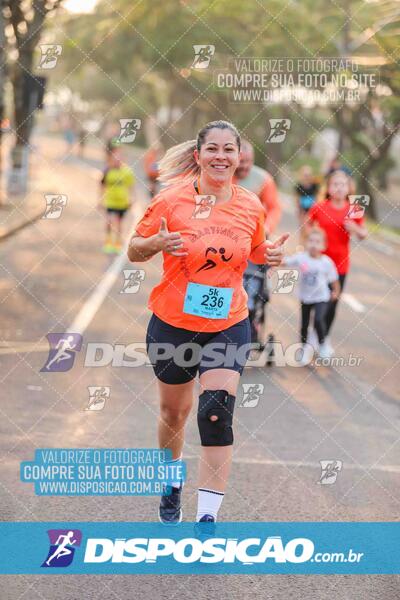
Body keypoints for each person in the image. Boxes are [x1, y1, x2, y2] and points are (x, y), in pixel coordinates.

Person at [128, 120, 288, 524]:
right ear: (198, 156)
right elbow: (134, 249)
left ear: (239, 157)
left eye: (229, 150)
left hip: (228, 322)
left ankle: (207, 518)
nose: (221, 156)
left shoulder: (251, 204)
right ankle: (171, 482)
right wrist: (157, 243)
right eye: (212, 149)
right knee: (174, 414)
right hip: (173, 323)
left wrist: (266, 255)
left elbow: (253, 250)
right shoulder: (171, 201)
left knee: (215, 412)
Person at [306, 170, 367, 354]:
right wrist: (311, 239)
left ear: (349, 188)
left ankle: (323, 340)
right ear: (328, 187)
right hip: (319, 264)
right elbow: (306, 226)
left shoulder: (355, 208)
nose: (339, 188)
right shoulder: (319, 206)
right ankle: (311, 339)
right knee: (316, 303)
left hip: (340, 265)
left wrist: (355, 228)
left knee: (332, 304)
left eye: (343, 184)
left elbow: (363, 234)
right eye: (335, 184)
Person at [234, 140, 282, 347]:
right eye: (241, 162)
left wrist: (267, 229)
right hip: (225, 242)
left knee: (254, 285)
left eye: (249, 162)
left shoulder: (263, 179)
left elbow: (274, 207)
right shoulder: (222, 175)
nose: (244, 166)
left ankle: (251, 327)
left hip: (255, 241)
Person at [283, 228, 340, 362]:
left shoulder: (326, 262)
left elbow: (334, 280)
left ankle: (323, 344)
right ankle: (304, 349)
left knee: (319, 320)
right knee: (304, 324)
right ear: (306, 242)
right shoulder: (301, 257)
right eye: (311, 241)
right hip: (306, 297)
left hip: (322, 297)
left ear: (323, 245)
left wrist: (336, 292)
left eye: (317, 242)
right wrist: (277, 258)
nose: (314, 244)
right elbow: (286, 262)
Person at [99, 141, 135, 254]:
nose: (117, 158)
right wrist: (100, 200)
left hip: (122, 203)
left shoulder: (127, 171)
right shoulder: (107, 170)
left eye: (119, 156)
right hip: (110, 202)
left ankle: (118, 243)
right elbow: (102, 185)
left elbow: (131, 187)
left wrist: (132, 199)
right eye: (115, 156)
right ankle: (108, 242)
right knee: (110, 221)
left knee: (119, 223)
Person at [294, 165, 319, 240]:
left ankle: (309, 240)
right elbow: (297, 199)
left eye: (308, 175)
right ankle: (302, 243)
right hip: (303, 209)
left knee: (311, 226)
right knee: (302, 226)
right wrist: (299, 210)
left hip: (312, 208)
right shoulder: (299, 186)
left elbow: (317, 197)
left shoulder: (314, 185)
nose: (307, 177)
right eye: (305, 175)